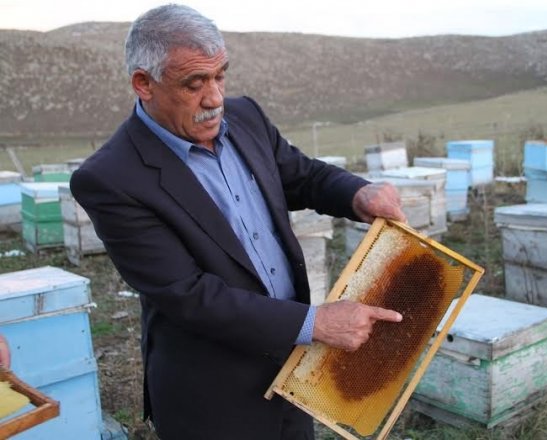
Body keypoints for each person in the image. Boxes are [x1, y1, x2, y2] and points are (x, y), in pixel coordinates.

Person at [70, 4, 406, 439]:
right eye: (194, 84)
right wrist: (315, 323)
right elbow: (188, 295)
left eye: (220, 76)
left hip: (296, 366)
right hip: (214, 395)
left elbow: (300, 175)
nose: (214, 99)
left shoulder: (245, 116)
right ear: (143, 83)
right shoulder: (111, 178)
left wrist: (356, 193)